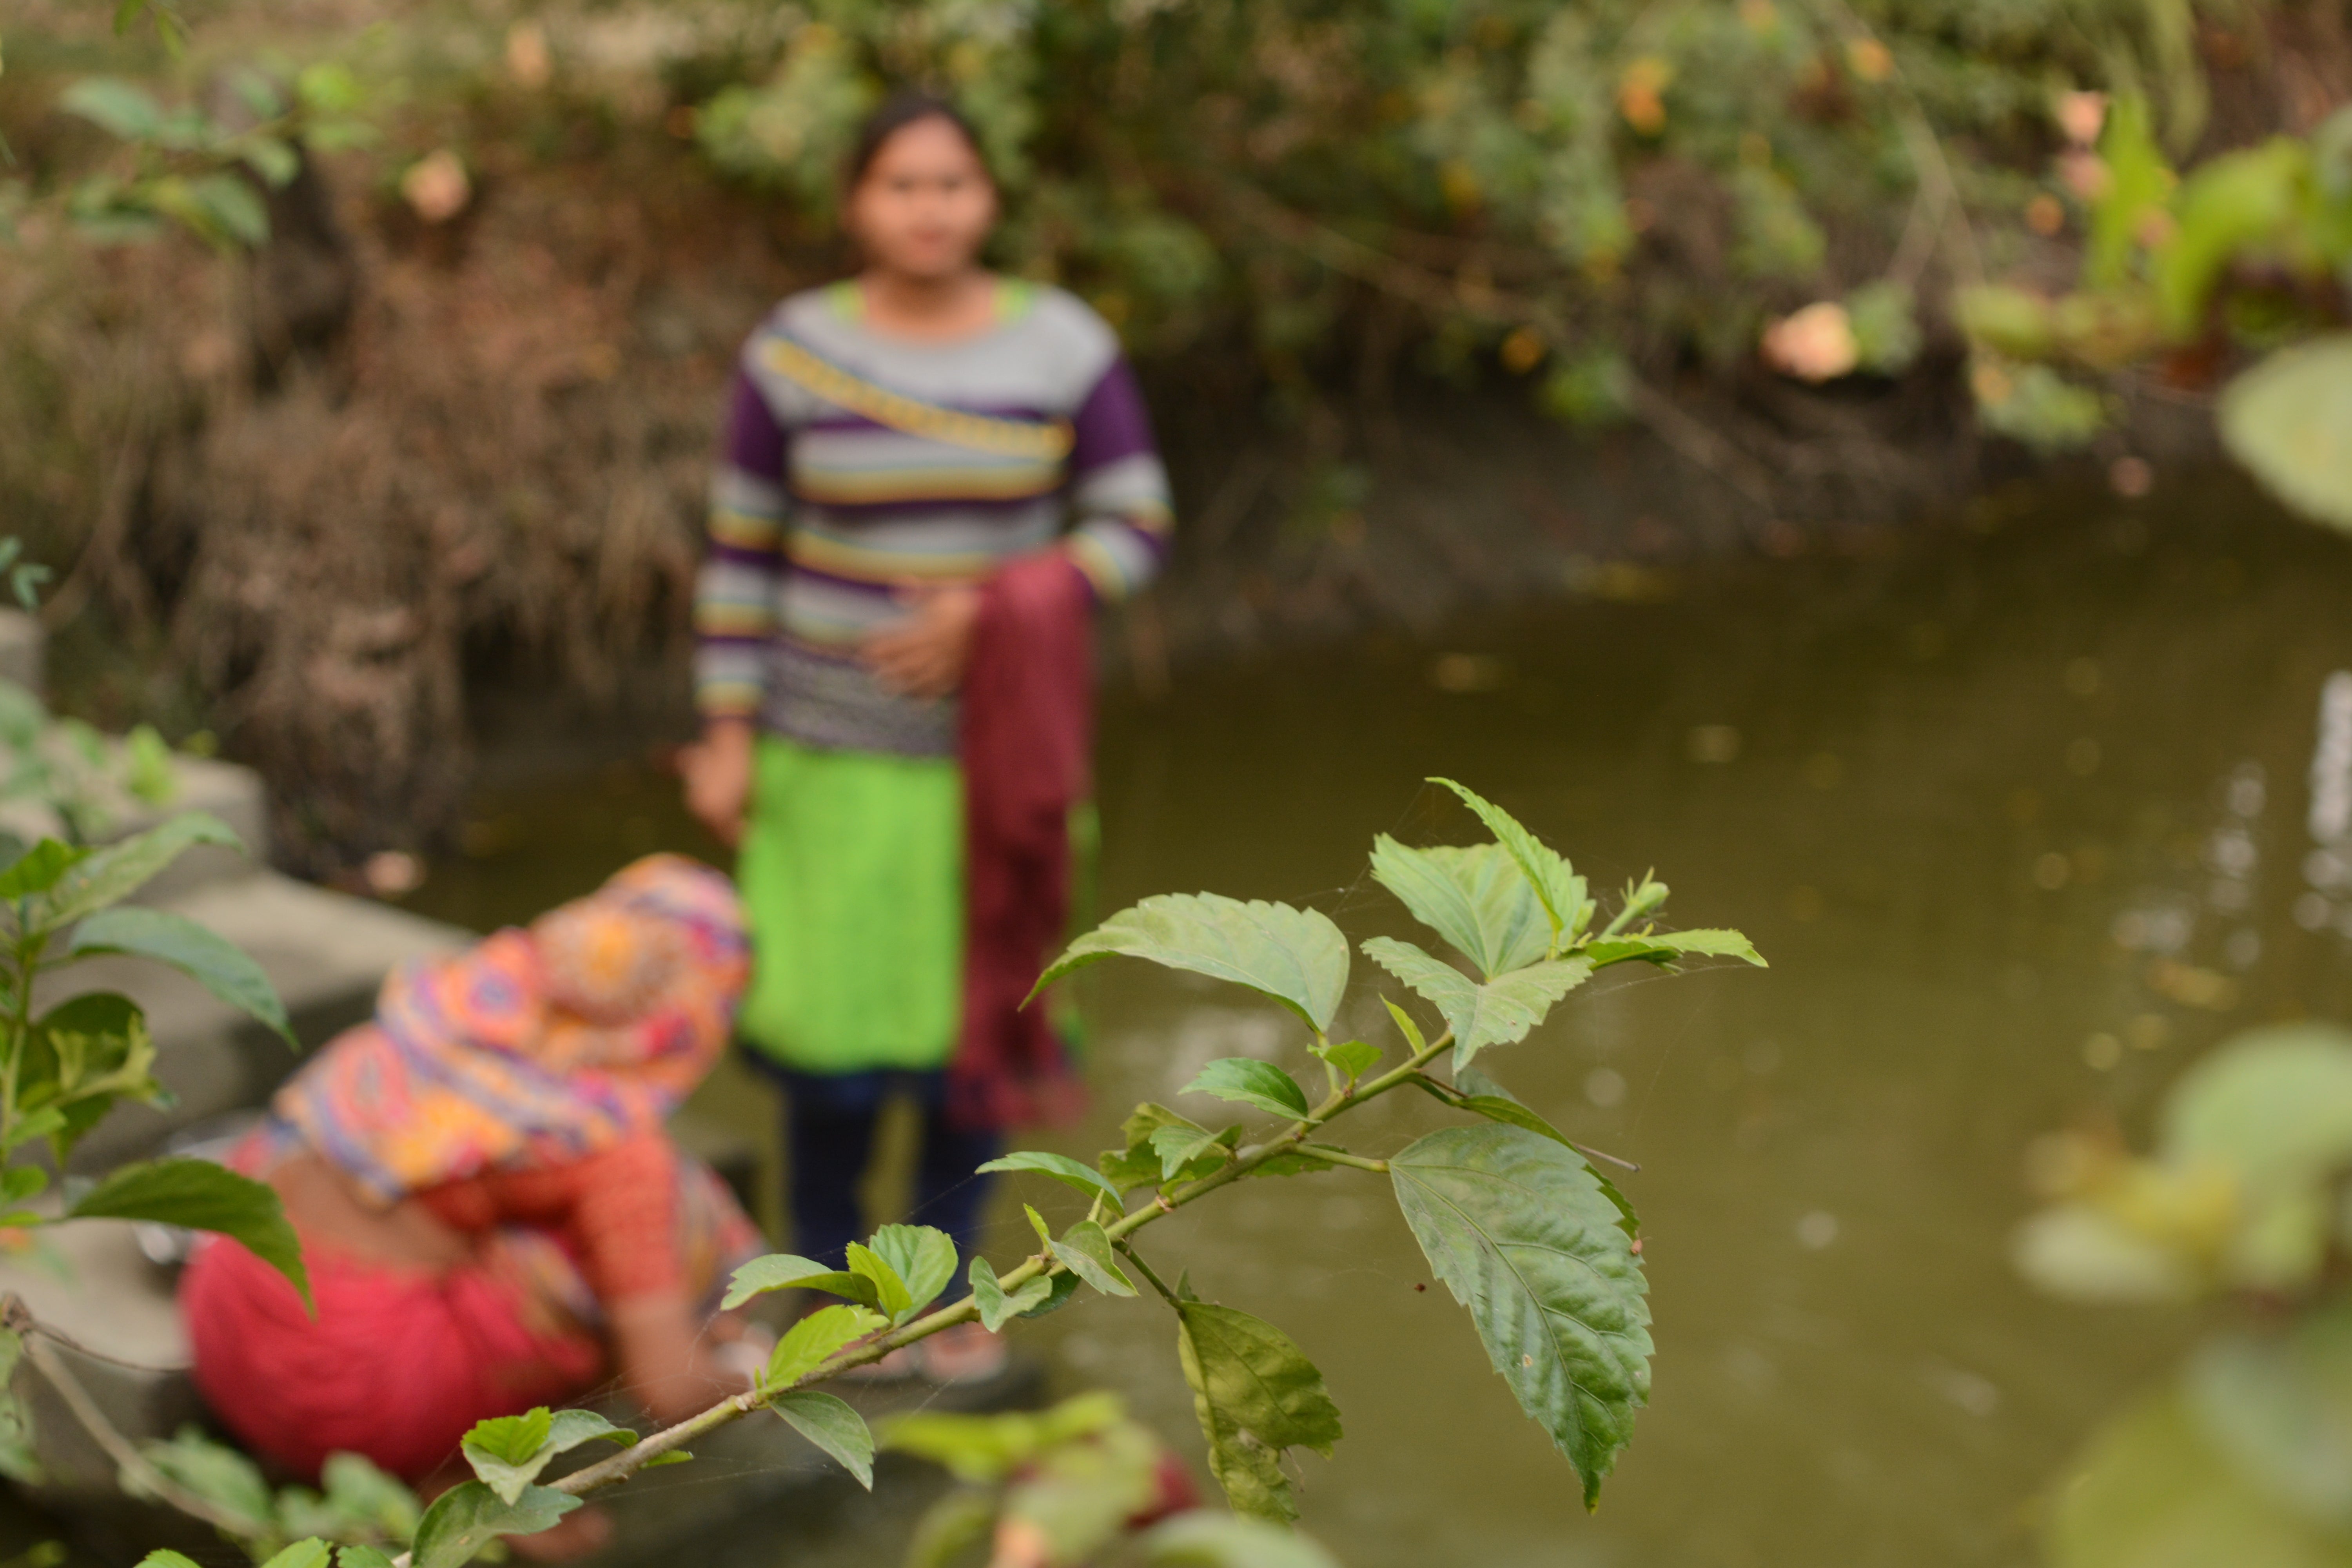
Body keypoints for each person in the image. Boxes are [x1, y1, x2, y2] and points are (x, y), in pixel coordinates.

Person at [679, 93, 1173, 1382]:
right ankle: (836, 1303)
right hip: (820, 762)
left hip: (995, 763)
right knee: (824, 1049)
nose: (930, 208)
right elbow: (741, 549)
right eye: (902, 185)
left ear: (989, 200)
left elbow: (1135, 525)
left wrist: (993, 612)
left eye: (953, 183)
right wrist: (725, 733)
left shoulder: (1062, 346)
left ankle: (950, 1298)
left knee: (976, 1039)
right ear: (856, 201)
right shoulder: (793, 354)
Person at [180, 855, 766, 1553]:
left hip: (220, 1323)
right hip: (346, 1405)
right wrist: (767, 1375)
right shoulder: (607, 1151)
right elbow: (666, 1392)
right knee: (675, 1218)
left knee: (571, 1215)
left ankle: (440, 1451)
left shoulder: (453, 1015)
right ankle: (464, 1476)